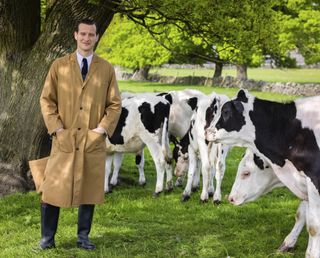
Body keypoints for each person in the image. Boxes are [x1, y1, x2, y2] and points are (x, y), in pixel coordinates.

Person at [38, 18, 121, 250]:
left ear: (96, 37)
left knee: (89, 188)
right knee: (52, 187)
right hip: (64, 138)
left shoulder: (106, 68)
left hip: (91, 139)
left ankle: (83, 238)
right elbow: (46, 100)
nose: (86, 38)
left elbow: (115, 104)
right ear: (75, 35)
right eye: (82, 34)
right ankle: (47, 239)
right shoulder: (59, 66)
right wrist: (57, 129)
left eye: (91, 34)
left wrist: (101, 130)